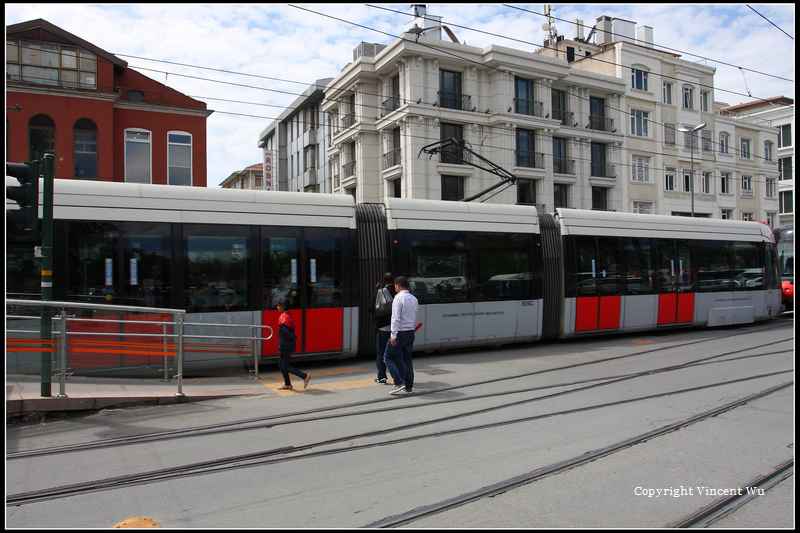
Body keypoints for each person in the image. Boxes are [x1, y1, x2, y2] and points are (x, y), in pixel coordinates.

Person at [384, 276, 419, 395]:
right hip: (410, 332)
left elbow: (395, 318)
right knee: (407, 359)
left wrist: (393, 335)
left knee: (388, 356)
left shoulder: (398, 299)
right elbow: (414, 316)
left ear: (398, 285)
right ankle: (408, 386)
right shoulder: (414, 299)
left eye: (395, 286)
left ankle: (398, 382)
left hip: (400, 333)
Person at [276, 298, 310, 390]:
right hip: (288, 344)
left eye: (278, 306)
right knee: (281, 364)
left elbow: (285, 332)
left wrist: (294, 336)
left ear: (283, 307)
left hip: (285, 344)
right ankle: (287, 384)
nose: (277, 307)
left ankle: (304, 376)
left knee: (284, 366)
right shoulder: (288, 315)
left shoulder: (283, 317)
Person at [374, 272, 396, 385]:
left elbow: (371, 307)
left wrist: (379, 291)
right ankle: (399, 376)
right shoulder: (398, 291)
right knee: (396, 353)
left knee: (381, 352)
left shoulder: (381, 292)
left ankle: (382, 377)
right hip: (395, 328)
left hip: (383, 327)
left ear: (383, 281)